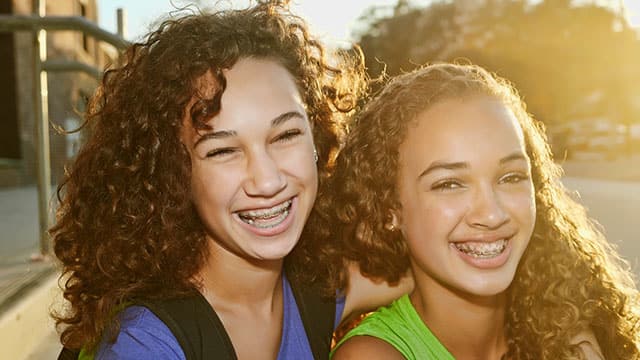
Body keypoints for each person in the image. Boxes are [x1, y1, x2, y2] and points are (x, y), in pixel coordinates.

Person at [51, 2, 410, 359]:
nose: (267, 181)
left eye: (285, 135)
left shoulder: (315, 287)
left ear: (317, 139)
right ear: (174, 173)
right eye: (222, 151)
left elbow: (438, 257)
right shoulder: (144, 344)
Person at [325, 63, 640, 359]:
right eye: (449, 184)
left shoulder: (566, 330)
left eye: (510, 177)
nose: (492, 214)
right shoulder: (372, 354)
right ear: (389, 208)